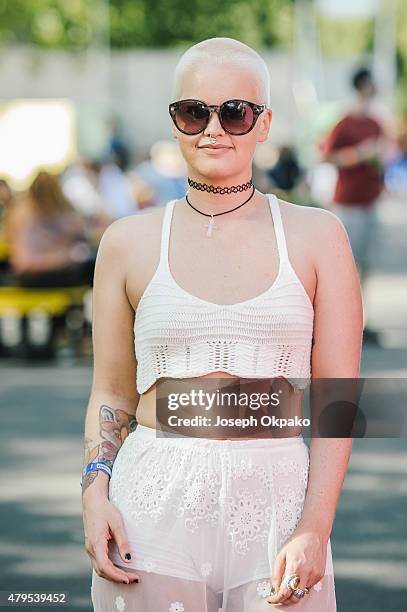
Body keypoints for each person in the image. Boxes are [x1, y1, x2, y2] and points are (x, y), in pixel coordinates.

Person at [82, 38, 362, 611]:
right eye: (193, 112)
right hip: (151, 503)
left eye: (234, 112)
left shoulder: (318, 235)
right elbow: (111, 391)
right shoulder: (126, 242)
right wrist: (93, 491)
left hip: (279, 501)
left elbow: (339, 397)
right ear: (174, 121)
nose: (213, 129)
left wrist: (316, 527)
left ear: (263, 124)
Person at [319, 67, 386, 343]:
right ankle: (342, 323)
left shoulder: (376, 123)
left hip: (370, 201)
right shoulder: (345, 122)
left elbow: (382, 157)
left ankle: (362, 320)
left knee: (366, 266)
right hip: (348, 203)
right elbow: (326, 156)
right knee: (348, 266)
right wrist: (359, 155)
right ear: (361, 86)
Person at [5, 170, 94, 287]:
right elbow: (81, 233)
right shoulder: (53, 208)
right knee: (93, 266)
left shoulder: (19, 209)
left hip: (23, 273)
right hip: (39, 273)